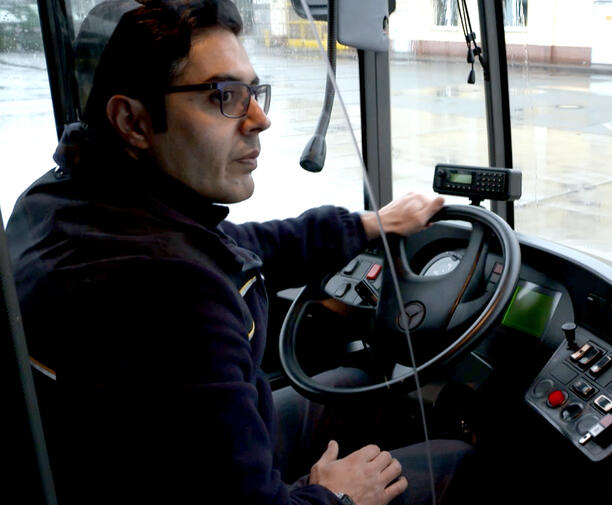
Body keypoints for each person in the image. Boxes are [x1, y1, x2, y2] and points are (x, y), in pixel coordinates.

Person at [5, 1, 475, 504]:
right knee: (455, 460)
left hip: (119, 465)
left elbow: (239, 246)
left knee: (354, 382)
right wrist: (335, 496)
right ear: (133, 121)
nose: (260, 119)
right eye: (224, 96)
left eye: (253, 92)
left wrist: (368, 224)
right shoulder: (177, 296)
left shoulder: (63, 200)